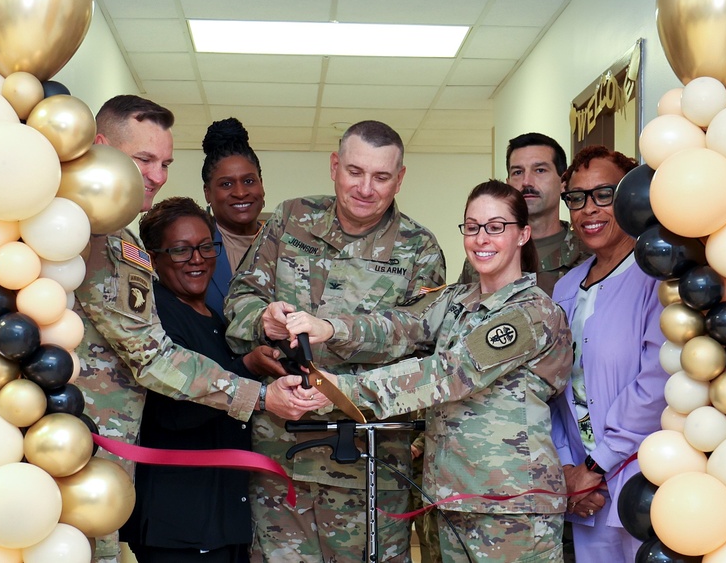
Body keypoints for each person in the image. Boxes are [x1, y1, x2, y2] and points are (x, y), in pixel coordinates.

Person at [72, 95, 317, 563]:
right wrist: (260, 396)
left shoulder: (119, 236)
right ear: (101, 148)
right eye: (144, 159)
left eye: (165, 162)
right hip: (84, 453)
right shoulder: (94, 236)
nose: (158, 175)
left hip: (111, 463)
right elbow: (153, 357)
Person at [284, 180, 573, 563]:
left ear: (523, 234)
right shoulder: (457, 300)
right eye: (472, 226)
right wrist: (331, 327)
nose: (481, 238)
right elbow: (399, 327)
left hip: (510, 508)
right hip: (451, 499)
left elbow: (449, 373)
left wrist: (346, 388)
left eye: (495, 226)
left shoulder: (531, 313)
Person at [225, 119, 447, 563]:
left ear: (400, 178)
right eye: (355, 171)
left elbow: (422, 336)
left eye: (381, 176)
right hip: (281, 454)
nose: (365, 187)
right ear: (334, 166)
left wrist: (335, 329)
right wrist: (263, 319)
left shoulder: (419, 248)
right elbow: (238, 302)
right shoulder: (290, 219)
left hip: (369, 462)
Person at [122, 197, 273, 563]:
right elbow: (173, 412)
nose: (198, 258)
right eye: (180, 250)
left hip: (223, 518)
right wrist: (249, 367)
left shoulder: (214, 317)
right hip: (182, 524)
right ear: (154, 258)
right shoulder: (155, 319)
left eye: (207, 246)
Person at [548, 145, 668, 563]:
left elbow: (657, 382)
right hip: (586, 494)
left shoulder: (656, 277)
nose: (588, 209)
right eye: (576, 198)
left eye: (605, 194)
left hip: (642, 480)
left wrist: (596, 466)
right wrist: (568, 471)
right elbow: (550, 387)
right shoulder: (564, 289)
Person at [459, 132, 587, 296]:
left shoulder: (587, 256)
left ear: (563, 183)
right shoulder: (484, 254)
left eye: (540, 170)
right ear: (508, 183)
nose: (526, 182)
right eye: (518, 172)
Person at [201, 118, 267, 321]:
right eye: (226, 184)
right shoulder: (194, 250)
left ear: (261, 184)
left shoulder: (285, 243)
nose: (240, 193)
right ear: (208, 194)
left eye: (248, 181)